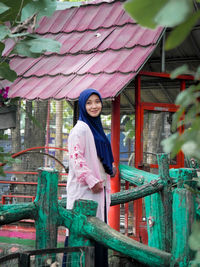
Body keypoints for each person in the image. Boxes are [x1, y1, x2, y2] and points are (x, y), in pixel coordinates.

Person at [63, 88, 116, 267]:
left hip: (99, 191)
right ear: (83, 106)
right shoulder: (79, 129)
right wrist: (92, 181)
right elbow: (76, 159)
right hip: (85, 191)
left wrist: (112, 167)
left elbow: (103, 155)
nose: (94, 106)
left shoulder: (96, 128)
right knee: (82, 232)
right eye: (89, 103)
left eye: (97, 101)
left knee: (98, 232)